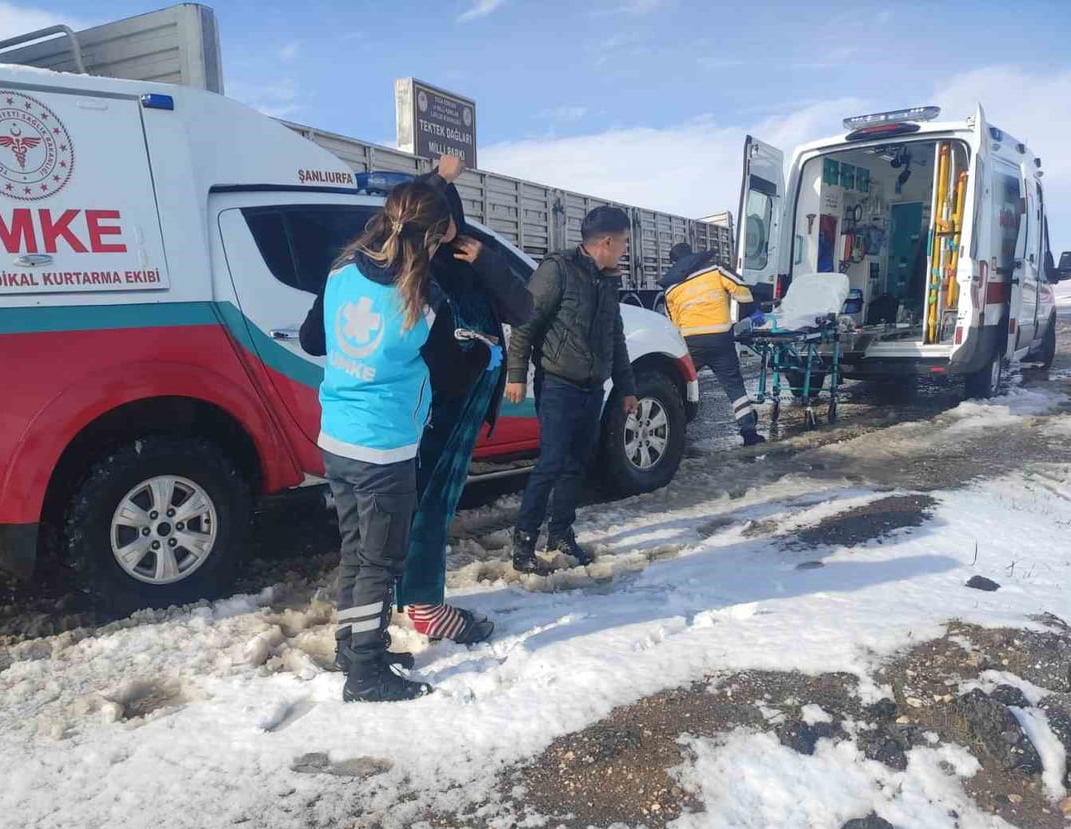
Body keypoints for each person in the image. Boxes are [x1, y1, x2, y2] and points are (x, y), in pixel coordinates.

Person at [304, 157, 532, 649]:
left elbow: (524, 307)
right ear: (432, 225)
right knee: (417, 511)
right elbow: (447, 365)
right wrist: (484, 354)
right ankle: (393, 630)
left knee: (375, 536)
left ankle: (368, 635)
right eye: (443, 220)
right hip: (411, 415)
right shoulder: (419, 281)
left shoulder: (361, 265)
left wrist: (486, 261)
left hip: (365, 420)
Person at [312, 180, 489, 702]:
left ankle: (354, 644)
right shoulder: (423, 296)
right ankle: (364, 672)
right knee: (379, 562)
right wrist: (478, 353)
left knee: (355, 550)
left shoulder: (342, 270)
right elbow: (451, 376)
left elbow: (311, 338)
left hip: (337, 435)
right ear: (433, 237)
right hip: (383, 449)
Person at [505, 205, 638, 574]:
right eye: (624, 241)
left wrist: (627, 386)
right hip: (558, 385)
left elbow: (615, 336)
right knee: (551, 463)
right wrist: (516, 375)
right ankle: (524, 542)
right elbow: (525, 324)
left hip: (592, 388)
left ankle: (561, 534)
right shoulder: (558, 270)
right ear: (607, 241)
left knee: (576, 465)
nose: (625, 249)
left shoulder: (608, 279)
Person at [661, 242, 765, 447]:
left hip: (690, 342)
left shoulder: (670, 289)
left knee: (682, 385)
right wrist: (753, 310)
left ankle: (674, 431)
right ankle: (749, 432)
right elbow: (740, 287)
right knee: (734, 385)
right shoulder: (715, 271)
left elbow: (672, 322)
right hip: (720, 339)